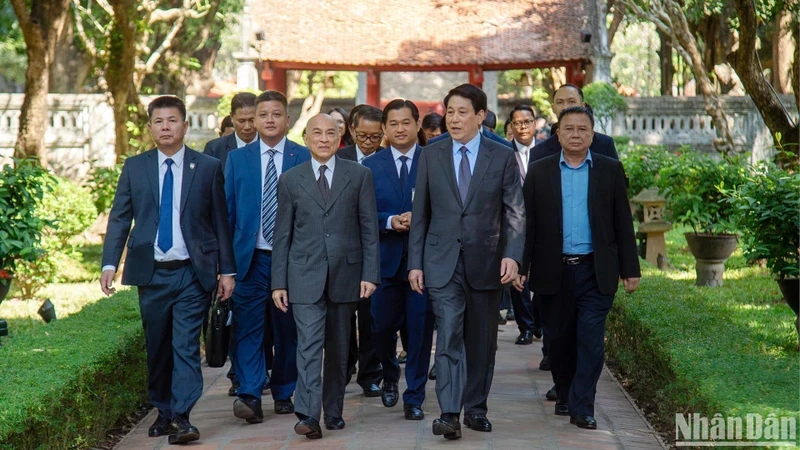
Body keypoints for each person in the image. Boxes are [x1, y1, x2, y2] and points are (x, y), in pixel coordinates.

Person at [100, 96, 236, 445]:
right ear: (150, 128)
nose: (165, 127)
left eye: (172, 121)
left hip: (193, 272)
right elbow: (120, 218)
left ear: (185, 126)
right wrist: (110, 263)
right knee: (158, 345)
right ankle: (163, 410)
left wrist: (227, 271)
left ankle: (183, 417)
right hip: (152, 274)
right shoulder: (136, 167)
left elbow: (221, 222)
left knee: (186, 345)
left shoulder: (206, 167)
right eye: (158, 121)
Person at [408, 84, 525, 440]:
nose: (454, 119)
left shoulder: (502, 154)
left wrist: (513, 255)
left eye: (462, 112)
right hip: (442, 262)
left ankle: (476, 407)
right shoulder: (431, 153)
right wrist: (416, 262)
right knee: (448, 336)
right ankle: (449, 412)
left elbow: (515, 212)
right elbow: (421, 213)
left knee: (482, 340)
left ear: (480, 116)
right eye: (450, 112)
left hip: (487, 261)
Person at [520, 106, 640, 430]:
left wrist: (631, 269)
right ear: (557, 134)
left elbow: (622, 223)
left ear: (592, 134)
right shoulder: (540, 170)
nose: (575, 135)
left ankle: (582, 406)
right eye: (569, 129)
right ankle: (564, 390)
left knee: (590, 340)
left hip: (594, 270)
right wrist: (522, 265)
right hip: (552, 270)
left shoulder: (609, 169)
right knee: (558, 341)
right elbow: (528, 224)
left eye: (582, 129)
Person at [271, 113, 380, 439]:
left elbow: (369, 229)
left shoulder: (359, 175)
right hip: (303, 275)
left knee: (338, 349)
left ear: (339, 137)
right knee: (308, 346)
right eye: (315, 133)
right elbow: (282, 236)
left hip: (346, 275)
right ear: (306, 138)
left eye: (329, 133)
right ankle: (308, 414)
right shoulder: (291, 179)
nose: (323, 138)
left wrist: (370, 274)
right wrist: (278, 282)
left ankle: (333, 411)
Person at [223, 90, 310, 424]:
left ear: (288, 120)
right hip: (251, 258)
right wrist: (225, 267)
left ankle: (285, 390)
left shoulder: (303, 157)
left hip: (291, 259)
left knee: (288, 328)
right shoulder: (238, 159)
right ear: (253, 120)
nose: (270, 120)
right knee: (247, 328)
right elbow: (227, 213)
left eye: (277, 114)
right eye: (263, 115)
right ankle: (249, 393)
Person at [363, 99, 435, 421]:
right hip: (384, 262)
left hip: (423, 264)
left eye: (406, 122)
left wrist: (419, 220)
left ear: (417, 125)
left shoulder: (433, 160)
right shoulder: (370, 166)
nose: (400, 129)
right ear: (384, 129)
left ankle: (414, 396)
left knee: (420, 333)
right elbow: (361, 215)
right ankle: (389, 374)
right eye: (393, 124)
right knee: (380, 328)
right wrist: (391, 221)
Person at [506, 105, 543, 346]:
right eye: (518, 123)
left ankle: (539, 321)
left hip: (543, 223)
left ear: (535, 123)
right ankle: (526, 326)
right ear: (511, 126)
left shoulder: (547, 150)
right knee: (517, 275)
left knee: (543, 275)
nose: (523, 127)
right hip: (514, 224)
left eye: (527, 122)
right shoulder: (503, 153)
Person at [531, 84, 618, 162]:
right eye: (560, 102)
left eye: (571, 101)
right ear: (553, 108)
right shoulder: (539, 152)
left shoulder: (605, 144)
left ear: (582, 106)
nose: (565, 107)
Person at [204, 92, 258, 170]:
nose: (247, 127)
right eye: (241, 121)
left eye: (252, 120)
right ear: (232, 117)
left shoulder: (269, 145)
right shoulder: (215, 149)